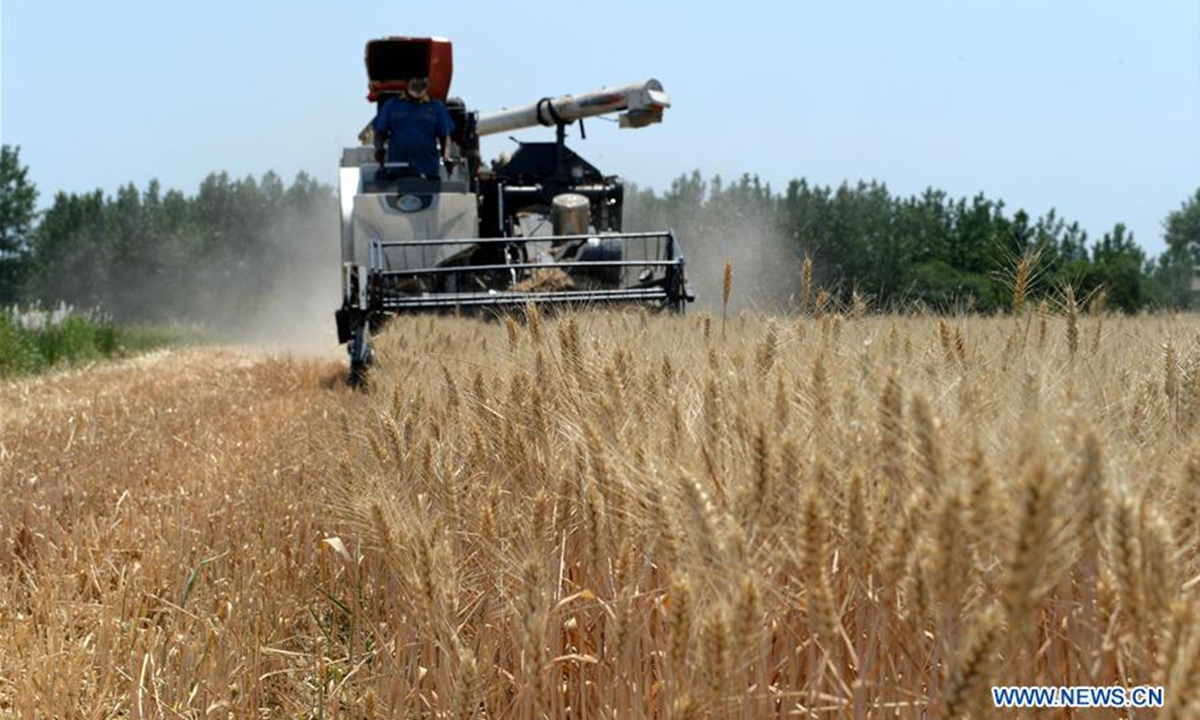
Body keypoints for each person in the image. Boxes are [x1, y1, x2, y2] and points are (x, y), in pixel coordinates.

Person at [372, 76, 454, 179]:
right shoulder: (391, 106)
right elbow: (379, 132)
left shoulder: (437, 107)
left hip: (428, 173)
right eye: (416, 80)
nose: (419, 84)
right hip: (397, 172)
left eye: (423, 79)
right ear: (407, 82)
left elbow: (445, 136)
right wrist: (379, 148)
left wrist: (446, 157)